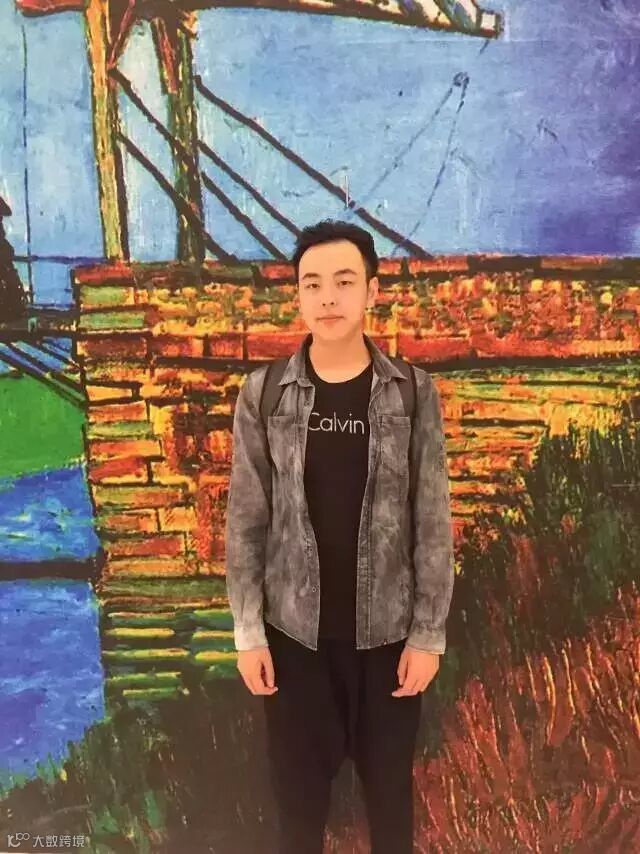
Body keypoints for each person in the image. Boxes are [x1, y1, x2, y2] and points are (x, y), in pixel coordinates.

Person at [225, 219, 455, 854]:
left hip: (389, 645)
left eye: (345, 281)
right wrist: (248, 633)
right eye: (313, 283)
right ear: (298, 295)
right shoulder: (264, 393)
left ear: (372, 291)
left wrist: (428, 635)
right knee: (298, 820)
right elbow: (246, 521)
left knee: (391, 817)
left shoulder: (413, 392)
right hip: (293, 644)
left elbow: (432, 520)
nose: (328, 297)